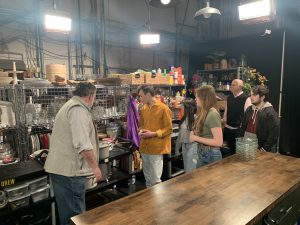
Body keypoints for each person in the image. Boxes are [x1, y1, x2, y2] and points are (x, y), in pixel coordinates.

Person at [44, 82, 102, 225]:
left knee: (68, 215)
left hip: (63, 171)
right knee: (75, 216)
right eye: (94, 97)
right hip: (70, 173)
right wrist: (95, 167)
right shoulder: (78, 110)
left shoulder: (70, 105)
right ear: (90, 96)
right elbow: (83, 145)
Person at [137, 85, 172, 187]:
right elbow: (141, 125)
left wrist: (153, 134)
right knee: (148, 179)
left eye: (141, 96)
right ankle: (151, 201)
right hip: (144, 147)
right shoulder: (144, 108)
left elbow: (169, 129)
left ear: (148, 95)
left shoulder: (164, 109)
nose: (140, 98)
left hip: (156, 149)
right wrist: (140, 131)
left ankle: (157, 202)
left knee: (156, 181)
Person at [238, 85, 279, 152]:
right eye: (250, 95)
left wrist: (264, 149)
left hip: (261, 150)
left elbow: (273, 135)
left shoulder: (270, 113)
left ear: (262, 97)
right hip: (246, 147)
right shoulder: (249, 109)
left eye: (254, 95)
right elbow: (242, 127)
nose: (251, 97)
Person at [190, 85, 223, 167]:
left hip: (210, 155)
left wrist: (195, 138)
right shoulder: (205, 112)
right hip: (205, 153)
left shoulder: (213, 114)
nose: (195, 99)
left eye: (197, 97)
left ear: (204, 98)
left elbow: (219, 142)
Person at [223, 79, 251, 154]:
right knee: (230, 151)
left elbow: (247, 116)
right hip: (228, 128)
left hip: (238, 130)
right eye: (231, 84)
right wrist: (224, 122)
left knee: (238, 152)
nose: (231, 86)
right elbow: (226, 111)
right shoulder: (229, 98)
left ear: (240, 87)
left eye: (233, 85)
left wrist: (242, 128)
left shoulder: (246, 98)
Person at [175, 98, 198, 172]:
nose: (181, 108)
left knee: (190, 171)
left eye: (182, 106)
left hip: (193, 147)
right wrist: (177, 149)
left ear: (188, 108)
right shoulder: (184, 118)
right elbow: (180, 135)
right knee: (187, 170)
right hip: (185, 147)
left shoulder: (196, 119)